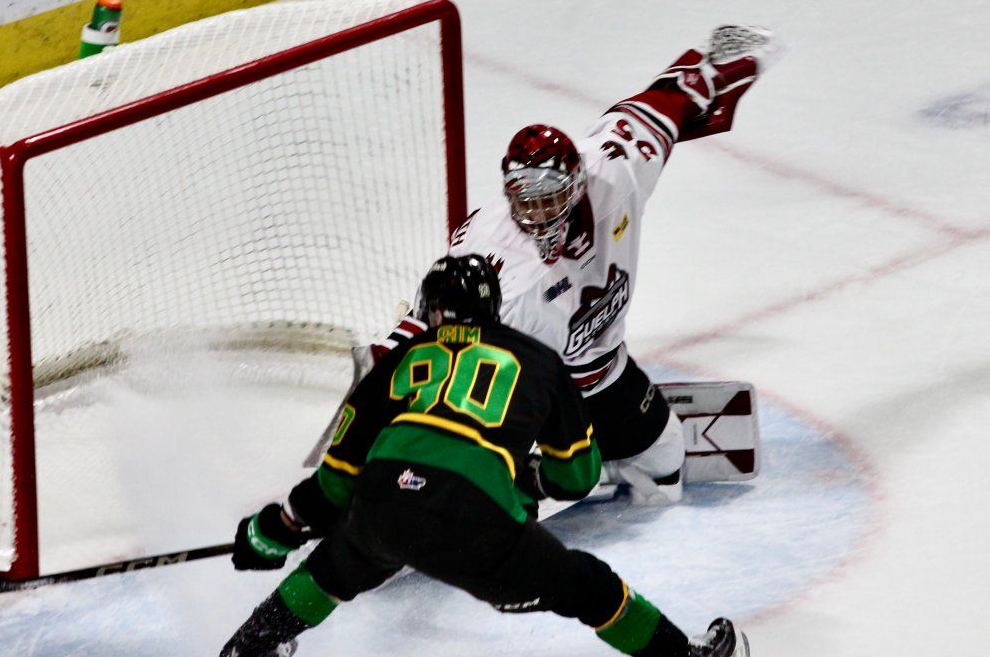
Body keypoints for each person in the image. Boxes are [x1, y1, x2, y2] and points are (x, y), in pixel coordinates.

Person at [220, 254, 750, 657]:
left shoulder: (402, 356)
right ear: (492, 308)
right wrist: (530, 475)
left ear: (429, 311)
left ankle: (245, 649)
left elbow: (335, 482)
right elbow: (577, 477)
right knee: (588, 585)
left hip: (384, 500)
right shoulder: (540, 361)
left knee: (330, 569)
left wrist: (277, 528)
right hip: (475, 518)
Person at [372, 25, 779, 503]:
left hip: (600, 372)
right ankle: (521, 479)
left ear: (578, 184)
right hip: (517, 389)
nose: (538, 214)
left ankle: (578, 472)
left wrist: (714, 70)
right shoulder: (490, 250)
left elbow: (659, 108)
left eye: (551, 199)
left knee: (668, 465)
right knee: (489, 490)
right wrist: (385, 370)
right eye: (526, 200)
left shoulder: (615, 171)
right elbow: (439, 316)